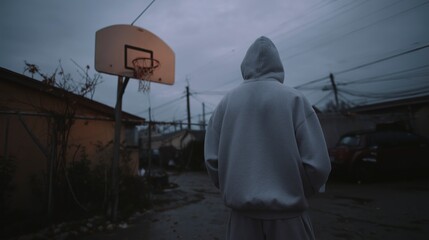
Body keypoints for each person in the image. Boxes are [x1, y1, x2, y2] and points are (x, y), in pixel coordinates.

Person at [204, 36, 331, 240]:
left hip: (241, 220)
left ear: (244, 65)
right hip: (289, 219)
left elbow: (212, 161)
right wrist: (296, 189)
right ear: (277, 65)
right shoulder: (295, 99)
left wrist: (235, 185)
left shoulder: (225, 104)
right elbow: (318, 165)